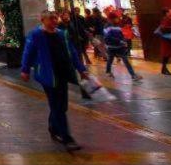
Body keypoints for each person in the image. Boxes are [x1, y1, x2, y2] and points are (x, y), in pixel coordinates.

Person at [21, 11, 89, 151]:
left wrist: (81, 69)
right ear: (43, 20)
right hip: (47, 75)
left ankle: (53, 127)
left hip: (63, 73)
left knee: (62, 106)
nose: (54, 21)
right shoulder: (36, 34)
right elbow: (28, 52)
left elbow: (72, 52)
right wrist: (25, 69)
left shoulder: (62, 34)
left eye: (55, 18)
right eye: (51, 19)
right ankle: (67, 138)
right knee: (57, 106)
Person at [103, 14, 142, 81]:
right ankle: (108, 72)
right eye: (116, 18)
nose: (118, 19)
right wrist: (120, 41)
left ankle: (133, 75)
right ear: (111, 19)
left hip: (119, 47)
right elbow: (108, 37)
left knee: (124, 60)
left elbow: (121, 34)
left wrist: (124, 40)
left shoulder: (117, 26)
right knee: (111, 60)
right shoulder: (107, 26)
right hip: (112, 47)